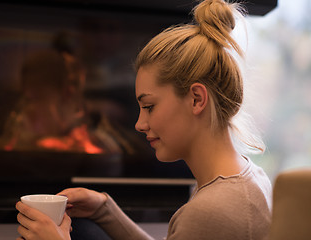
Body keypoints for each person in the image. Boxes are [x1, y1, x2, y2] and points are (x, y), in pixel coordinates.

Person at [15, 0, 272, 239]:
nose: (140, 124)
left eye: (149, 106)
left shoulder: (210, 212)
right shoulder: (250, 177)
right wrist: (104, 210)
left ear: (196, 99)